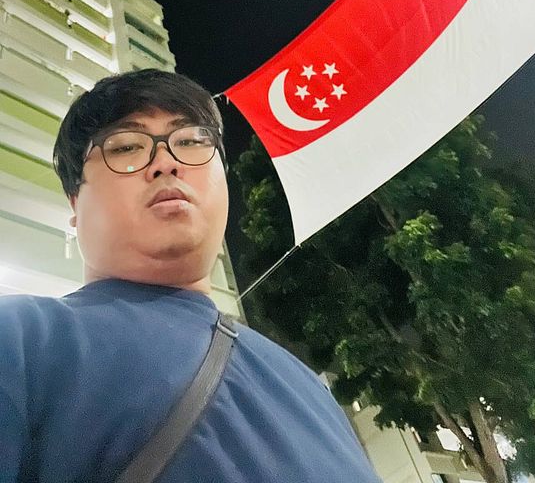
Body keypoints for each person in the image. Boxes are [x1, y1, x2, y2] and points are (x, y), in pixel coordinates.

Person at [0, 68, 381, 482]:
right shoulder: (20, 338)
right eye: (126, 146)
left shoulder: (310, 387)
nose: (166, 162)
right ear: (76, 201)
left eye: (191, 141)